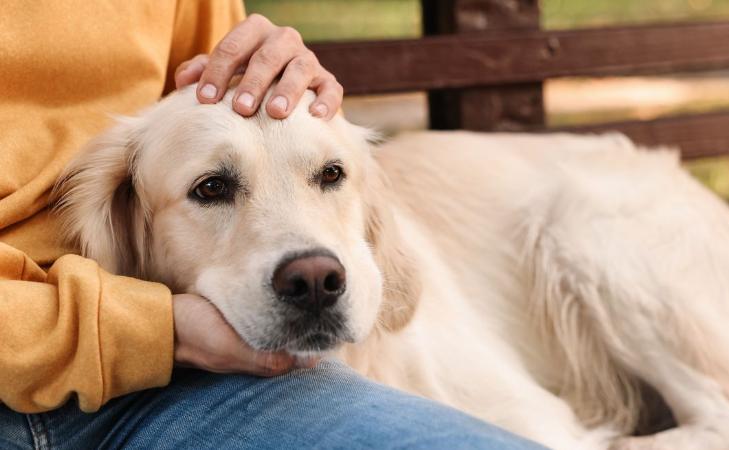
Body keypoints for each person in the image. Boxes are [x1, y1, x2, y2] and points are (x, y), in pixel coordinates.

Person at [0, 1, 546, 448]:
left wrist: (262, 62)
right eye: (212, 188)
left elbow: (216, 85)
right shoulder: (113, 215)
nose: (310, 265)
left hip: (175, 373)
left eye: (329, 175)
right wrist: (150, 329)